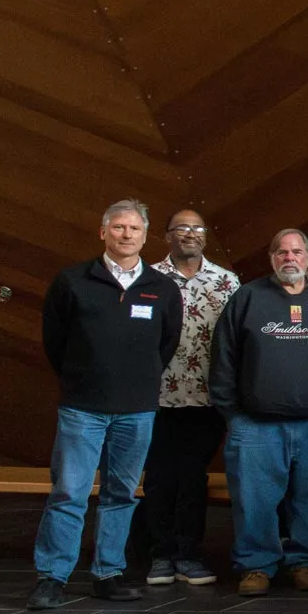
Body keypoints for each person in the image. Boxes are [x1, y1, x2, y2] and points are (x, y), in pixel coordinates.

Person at [30, 199, 184, 609]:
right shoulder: (72, 281)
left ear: (146, 235)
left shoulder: (162, 288)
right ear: (103, 232)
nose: (126, 235)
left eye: (134, 229)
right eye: (118, 227)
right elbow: (54, 341)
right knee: (69, 492)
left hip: (137, 409)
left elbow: (165, 346)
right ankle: (52, 577)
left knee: (121, 493)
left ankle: (108, 573)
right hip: (83, 407)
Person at [211, 229, 308, 597]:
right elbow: (223, 358)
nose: (290, 258)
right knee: (254, 499)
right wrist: (233, 415)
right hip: (256, 424)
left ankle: (305, 563)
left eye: (297, 252)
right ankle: (256, 567)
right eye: (282, 252)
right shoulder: (247, 298)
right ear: (272, 257)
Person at [135, 209, 239, 589]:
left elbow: (237, 342)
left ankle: (190, 554)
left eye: (197, 227)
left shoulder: (228, 282)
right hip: (156, 396)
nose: (190, 234)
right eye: (182, 228)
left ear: (205, 235)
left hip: (207, 398)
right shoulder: (148, 279)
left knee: (194, 477)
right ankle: (161, 554)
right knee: (160, 476)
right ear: (167, 236)